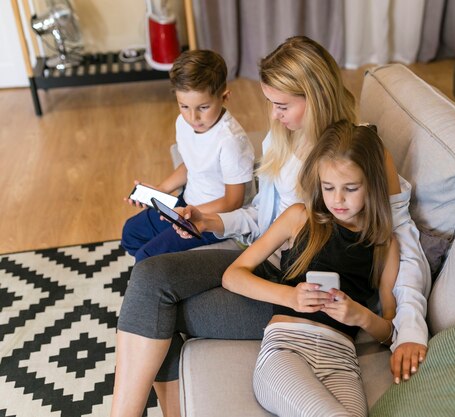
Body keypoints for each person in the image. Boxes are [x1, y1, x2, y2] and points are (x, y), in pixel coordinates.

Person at [111, 36, 430, 417]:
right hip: (261, 259)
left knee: (152, 306)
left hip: (299, 295)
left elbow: (400, 239)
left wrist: (409, 330)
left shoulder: (355, 156)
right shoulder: (283, 141)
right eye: (271, 103)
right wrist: (209, 220)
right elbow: (262, 219)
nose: (273, 115)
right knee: (149, 278)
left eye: (282, 105)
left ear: (314, 95)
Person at [223, 120, 414, 416]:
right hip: (286, 349)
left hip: (341, 361)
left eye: (350, 188)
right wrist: (290, 297)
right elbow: (233, 276)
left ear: (372, 185)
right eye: (328, 187)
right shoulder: (299, 219)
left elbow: (390, 331)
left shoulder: (384, 246)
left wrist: (360, 315)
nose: (337, 199)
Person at [120, 49, 255, 263]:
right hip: (187, 203)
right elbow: (191, 164)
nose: (193, 117)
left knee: (147, 256)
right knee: (131, 233)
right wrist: (161, 191)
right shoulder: (183, 123)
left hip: (214, 218)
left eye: (203, 107)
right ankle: (154, 274)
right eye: (184, 106)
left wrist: (189, 213)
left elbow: (233, 201)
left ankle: (153, 276)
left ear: (224, 97)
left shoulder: (230, 142)